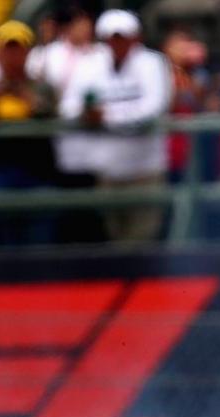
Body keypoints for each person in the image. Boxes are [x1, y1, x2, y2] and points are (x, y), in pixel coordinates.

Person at [60, 8, 170, 243]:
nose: (117, 43)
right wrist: (85, 113)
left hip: (145, 170)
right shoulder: (89, 64)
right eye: (112, 37)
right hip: (106, 171)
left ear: (135, 37)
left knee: (142, 239)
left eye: (123, 37)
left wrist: (106, 116)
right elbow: (68, 106)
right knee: (112, 241)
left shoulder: (152, 62)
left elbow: (152, 108)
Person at [0, 18, 57, 242]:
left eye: (18, 50)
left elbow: (54, 119)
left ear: (28, 52)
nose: (13, 57)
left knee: (40, 238)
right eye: (7, 51)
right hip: (3, 171)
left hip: (38, 172)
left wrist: (31, 101)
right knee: (7, 238)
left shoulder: (42, 87)